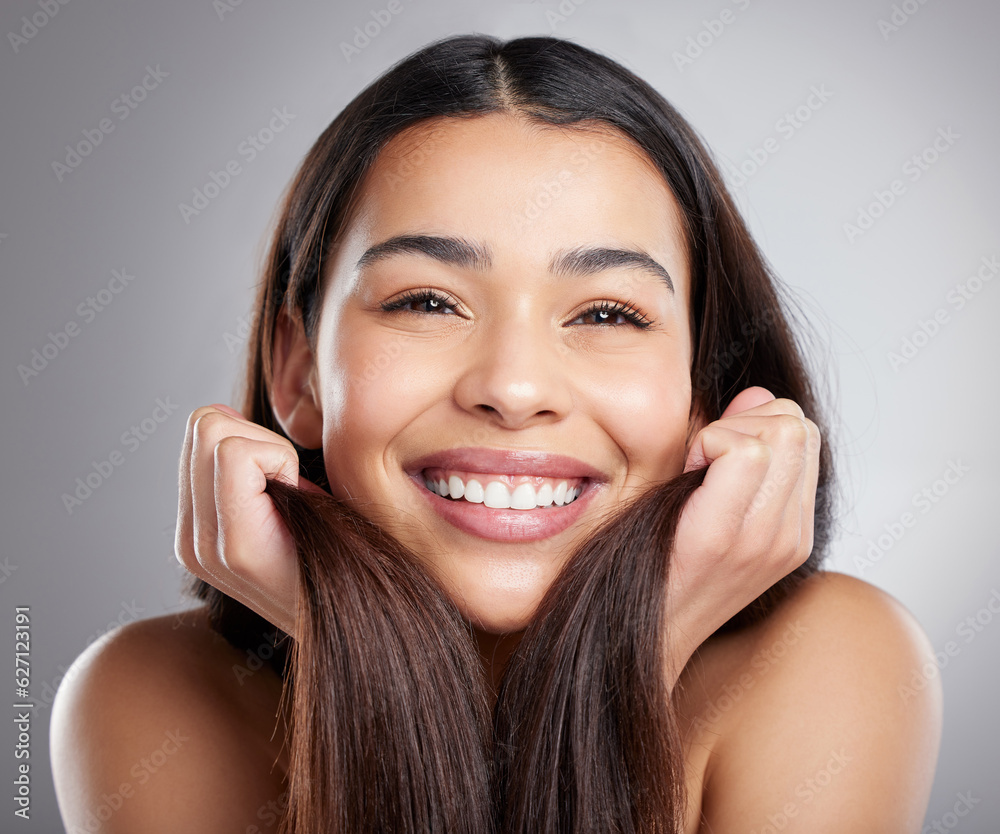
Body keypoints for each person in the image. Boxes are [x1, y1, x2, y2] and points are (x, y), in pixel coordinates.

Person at [51, 34, 942, 833]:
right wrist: (364, 667)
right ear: (297, 372)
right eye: (428, 301)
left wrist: (624, 669)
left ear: (703, 390)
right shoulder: (146, 698)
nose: (513, 389)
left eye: (605, 313)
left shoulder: (830, 662)